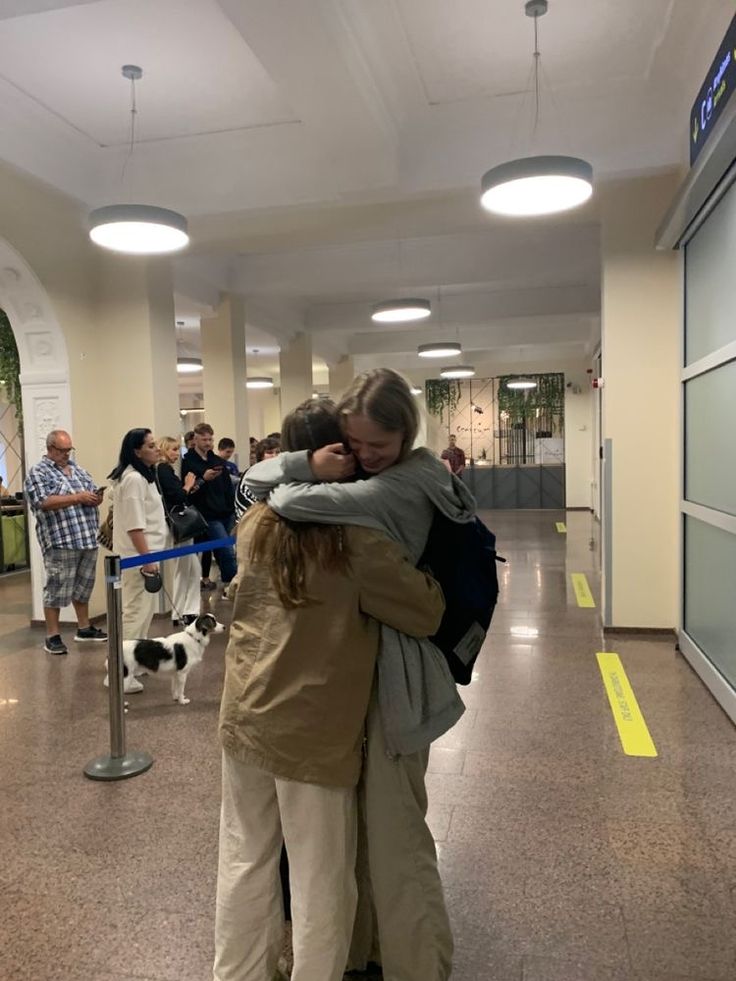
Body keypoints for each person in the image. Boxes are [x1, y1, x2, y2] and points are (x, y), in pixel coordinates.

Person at [243, 369, 475, 981]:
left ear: (409, 431)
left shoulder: (384, 494)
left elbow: (274, 492)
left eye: (378, 444)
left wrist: (304, 471)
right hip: (359, 693)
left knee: (395, 841)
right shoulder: (393, 482)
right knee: (364, 838)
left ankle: (418, 965)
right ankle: (366, 950)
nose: (367, 457)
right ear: (336, 442)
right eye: (355, 445)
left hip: (393, 691)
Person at [25, 429, 108, 655]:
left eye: (69, 449)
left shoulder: (78, 470)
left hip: (86, 537)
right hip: (61, 540)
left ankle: (84, 628)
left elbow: (88, 492)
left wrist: (94, 498)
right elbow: (43, 501)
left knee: (83, 587)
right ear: (50, 449)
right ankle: (52, 635)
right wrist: (77, 497)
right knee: (56, 588)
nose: (66, 454)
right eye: (62, 450)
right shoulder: (38, 473)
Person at [108, 429, 167, 666]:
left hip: (148, 554)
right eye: (151, 446)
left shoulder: (144, 476)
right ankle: (120, 668)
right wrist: (147, 560)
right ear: (136, 451)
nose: (157, 449)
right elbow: (135, 526)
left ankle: (135, 662)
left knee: (144, 614)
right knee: (134, 614)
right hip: (138, 558)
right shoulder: (132, 479)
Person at [182, 423, 237, 595]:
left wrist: (231, 507)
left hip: (225, 511)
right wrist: (203, 479)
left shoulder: (217, 461)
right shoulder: (188, 462)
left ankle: (228, 583)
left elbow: (228, 486)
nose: (208, 442)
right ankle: (234, 585)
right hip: (208, 514)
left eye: (210, 439)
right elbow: (189, 488)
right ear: (195, 439)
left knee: (226, 551)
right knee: (226, 551)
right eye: (204, 439)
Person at [156, 436, 202, 627]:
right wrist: (188, 485)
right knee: (183, 568)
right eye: (173, 450)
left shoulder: (163, 470)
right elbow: (176, 496)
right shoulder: (164, 469)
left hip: (178, 522)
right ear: (165, 450)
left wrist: (189, 488)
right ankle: (180, 611)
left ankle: (189, 610)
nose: (177, 453)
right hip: (178, 523)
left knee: (192, 568)